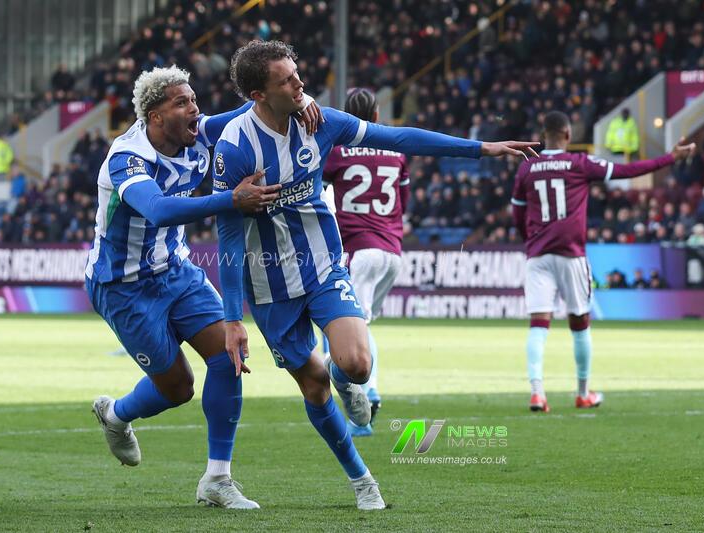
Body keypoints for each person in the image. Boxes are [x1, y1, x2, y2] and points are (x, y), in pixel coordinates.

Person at [213, 40, 537, 510]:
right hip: (270, 284)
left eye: (297, 73)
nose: (300, 84)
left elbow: (399, 138)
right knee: (313, 386)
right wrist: (232, 317)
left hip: (324, 265)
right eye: (287, 80)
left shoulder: (321, 121)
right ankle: (362, 478)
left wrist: (482, 148)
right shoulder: (235, 148)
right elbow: (228, 235)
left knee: (358, 364)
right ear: (258, 94)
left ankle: (347, 383)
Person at [85, 65, 322, 509]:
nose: (195, 109)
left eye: (193, 99)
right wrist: (231, 199)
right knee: (177, 388)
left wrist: (302, 101)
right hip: (122, 286)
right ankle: (115, 415)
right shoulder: (127, 159)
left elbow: (255, 108)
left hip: (176, 272)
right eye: (182, 103)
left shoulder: (201, 133)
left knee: (229, 354)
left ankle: (217, 479)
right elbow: (156, 209)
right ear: (156, 117)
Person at [511, 110, 695, 413]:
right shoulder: (579, 164)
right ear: (569, 135)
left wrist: (528, 241)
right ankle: (583, 392)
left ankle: (536, 393)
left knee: (538, 325)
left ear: (543, 136)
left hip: (538, 255)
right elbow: (628, 171)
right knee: (580, 324)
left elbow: (517, 212)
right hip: (571, 255)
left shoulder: (527, 169)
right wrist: (670, 157)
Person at [322, 87, 409, 437]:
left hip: (361, 248)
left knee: (352, 328)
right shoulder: (396, 153)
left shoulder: (339, 153)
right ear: (376, 116)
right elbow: (402, 199)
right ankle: (366, 390)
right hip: (393, 251)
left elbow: (314, 185)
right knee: (362, 325)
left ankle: (368, 397)